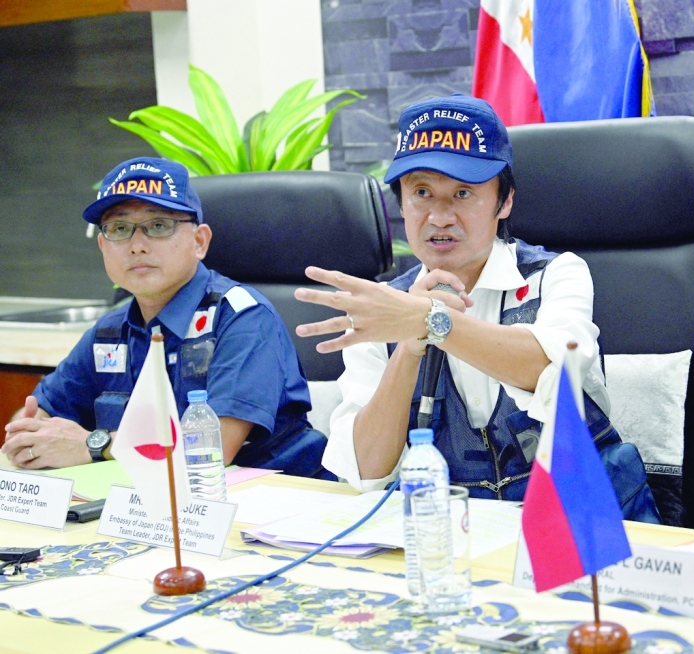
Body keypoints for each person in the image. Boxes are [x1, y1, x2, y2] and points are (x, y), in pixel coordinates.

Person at [294, 94, 660, 522]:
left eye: (463, 193)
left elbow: (551, 370)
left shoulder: (557, 275)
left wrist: (431, 322)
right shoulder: (385, 310)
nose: (440, 216)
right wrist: (410, 346)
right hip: (454, 541)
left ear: (504, 202)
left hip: (581, 528)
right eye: (422, 193)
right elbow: (368, 470)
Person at [2, 157, 330, 478]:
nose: (136, 245)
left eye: (158, 226)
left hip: (280, 506)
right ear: (103, 246)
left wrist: (93, 445)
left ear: (199, 241)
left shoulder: (241, 317)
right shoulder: (110, 332)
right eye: (119, 228)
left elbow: (212, 450)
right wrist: (32, 437)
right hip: (157, 508)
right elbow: (37, 414)